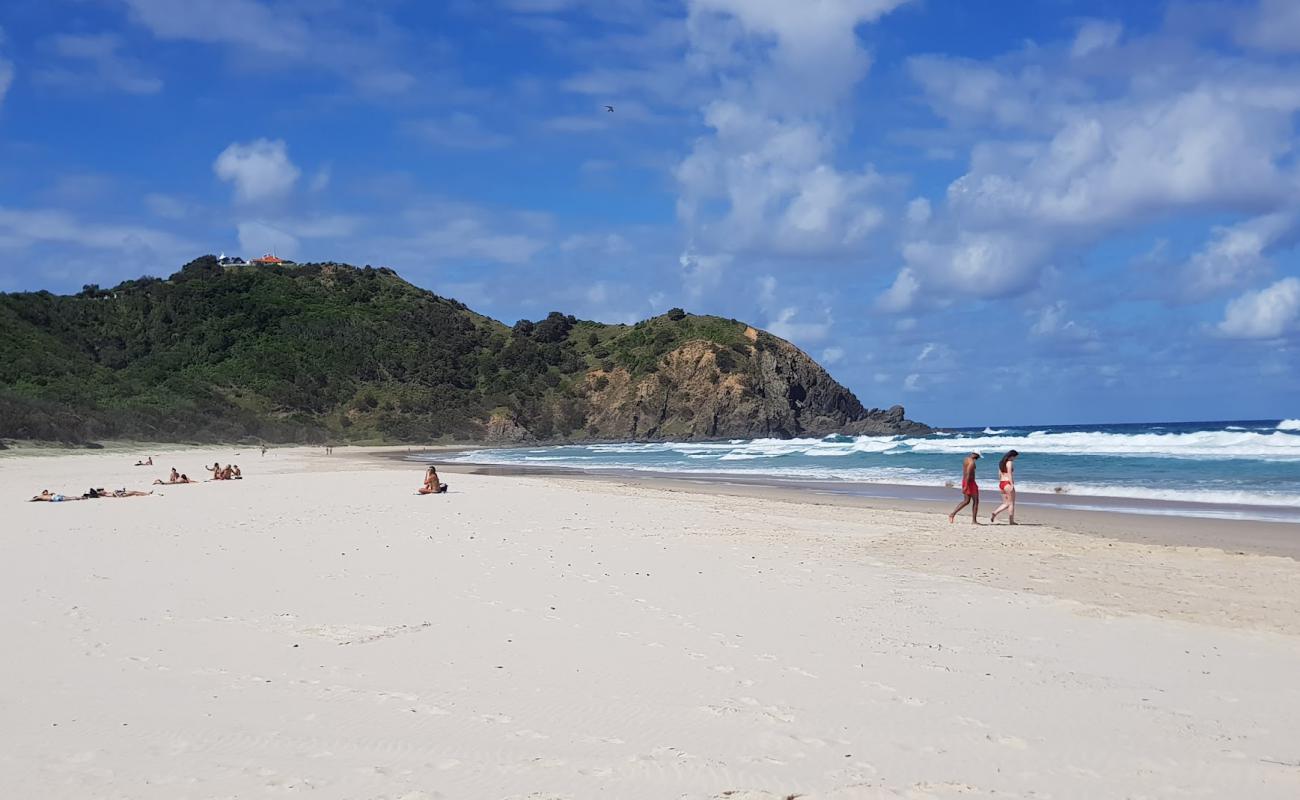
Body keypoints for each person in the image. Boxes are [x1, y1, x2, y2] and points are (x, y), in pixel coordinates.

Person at [947, 451, 981, 524]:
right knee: (975, 501)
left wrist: (965, 484)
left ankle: (952, 514)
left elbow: (966, 473)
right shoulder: (972, 463)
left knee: (966, 501)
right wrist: (966, 486)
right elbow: (968, 474)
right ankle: (974, 521)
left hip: (966, 481)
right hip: (970, 483)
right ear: (976, 456)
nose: (977, 459)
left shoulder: (966, 459)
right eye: (978, 457)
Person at [991, 450, 1020, 524]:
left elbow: (999, 475)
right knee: (1011, 503)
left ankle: (995, 513)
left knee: (1005, 503)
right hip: (1007, 483)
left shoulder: (1001, 463)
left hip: (1001, 483)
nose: (1015, 459)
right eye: (1015, 457)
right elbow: (1010, 474)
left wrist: (1001, 483)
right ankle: (1011, 521)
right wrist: (1012, 484)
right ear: (1011, 456)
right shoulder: (1009, 462)